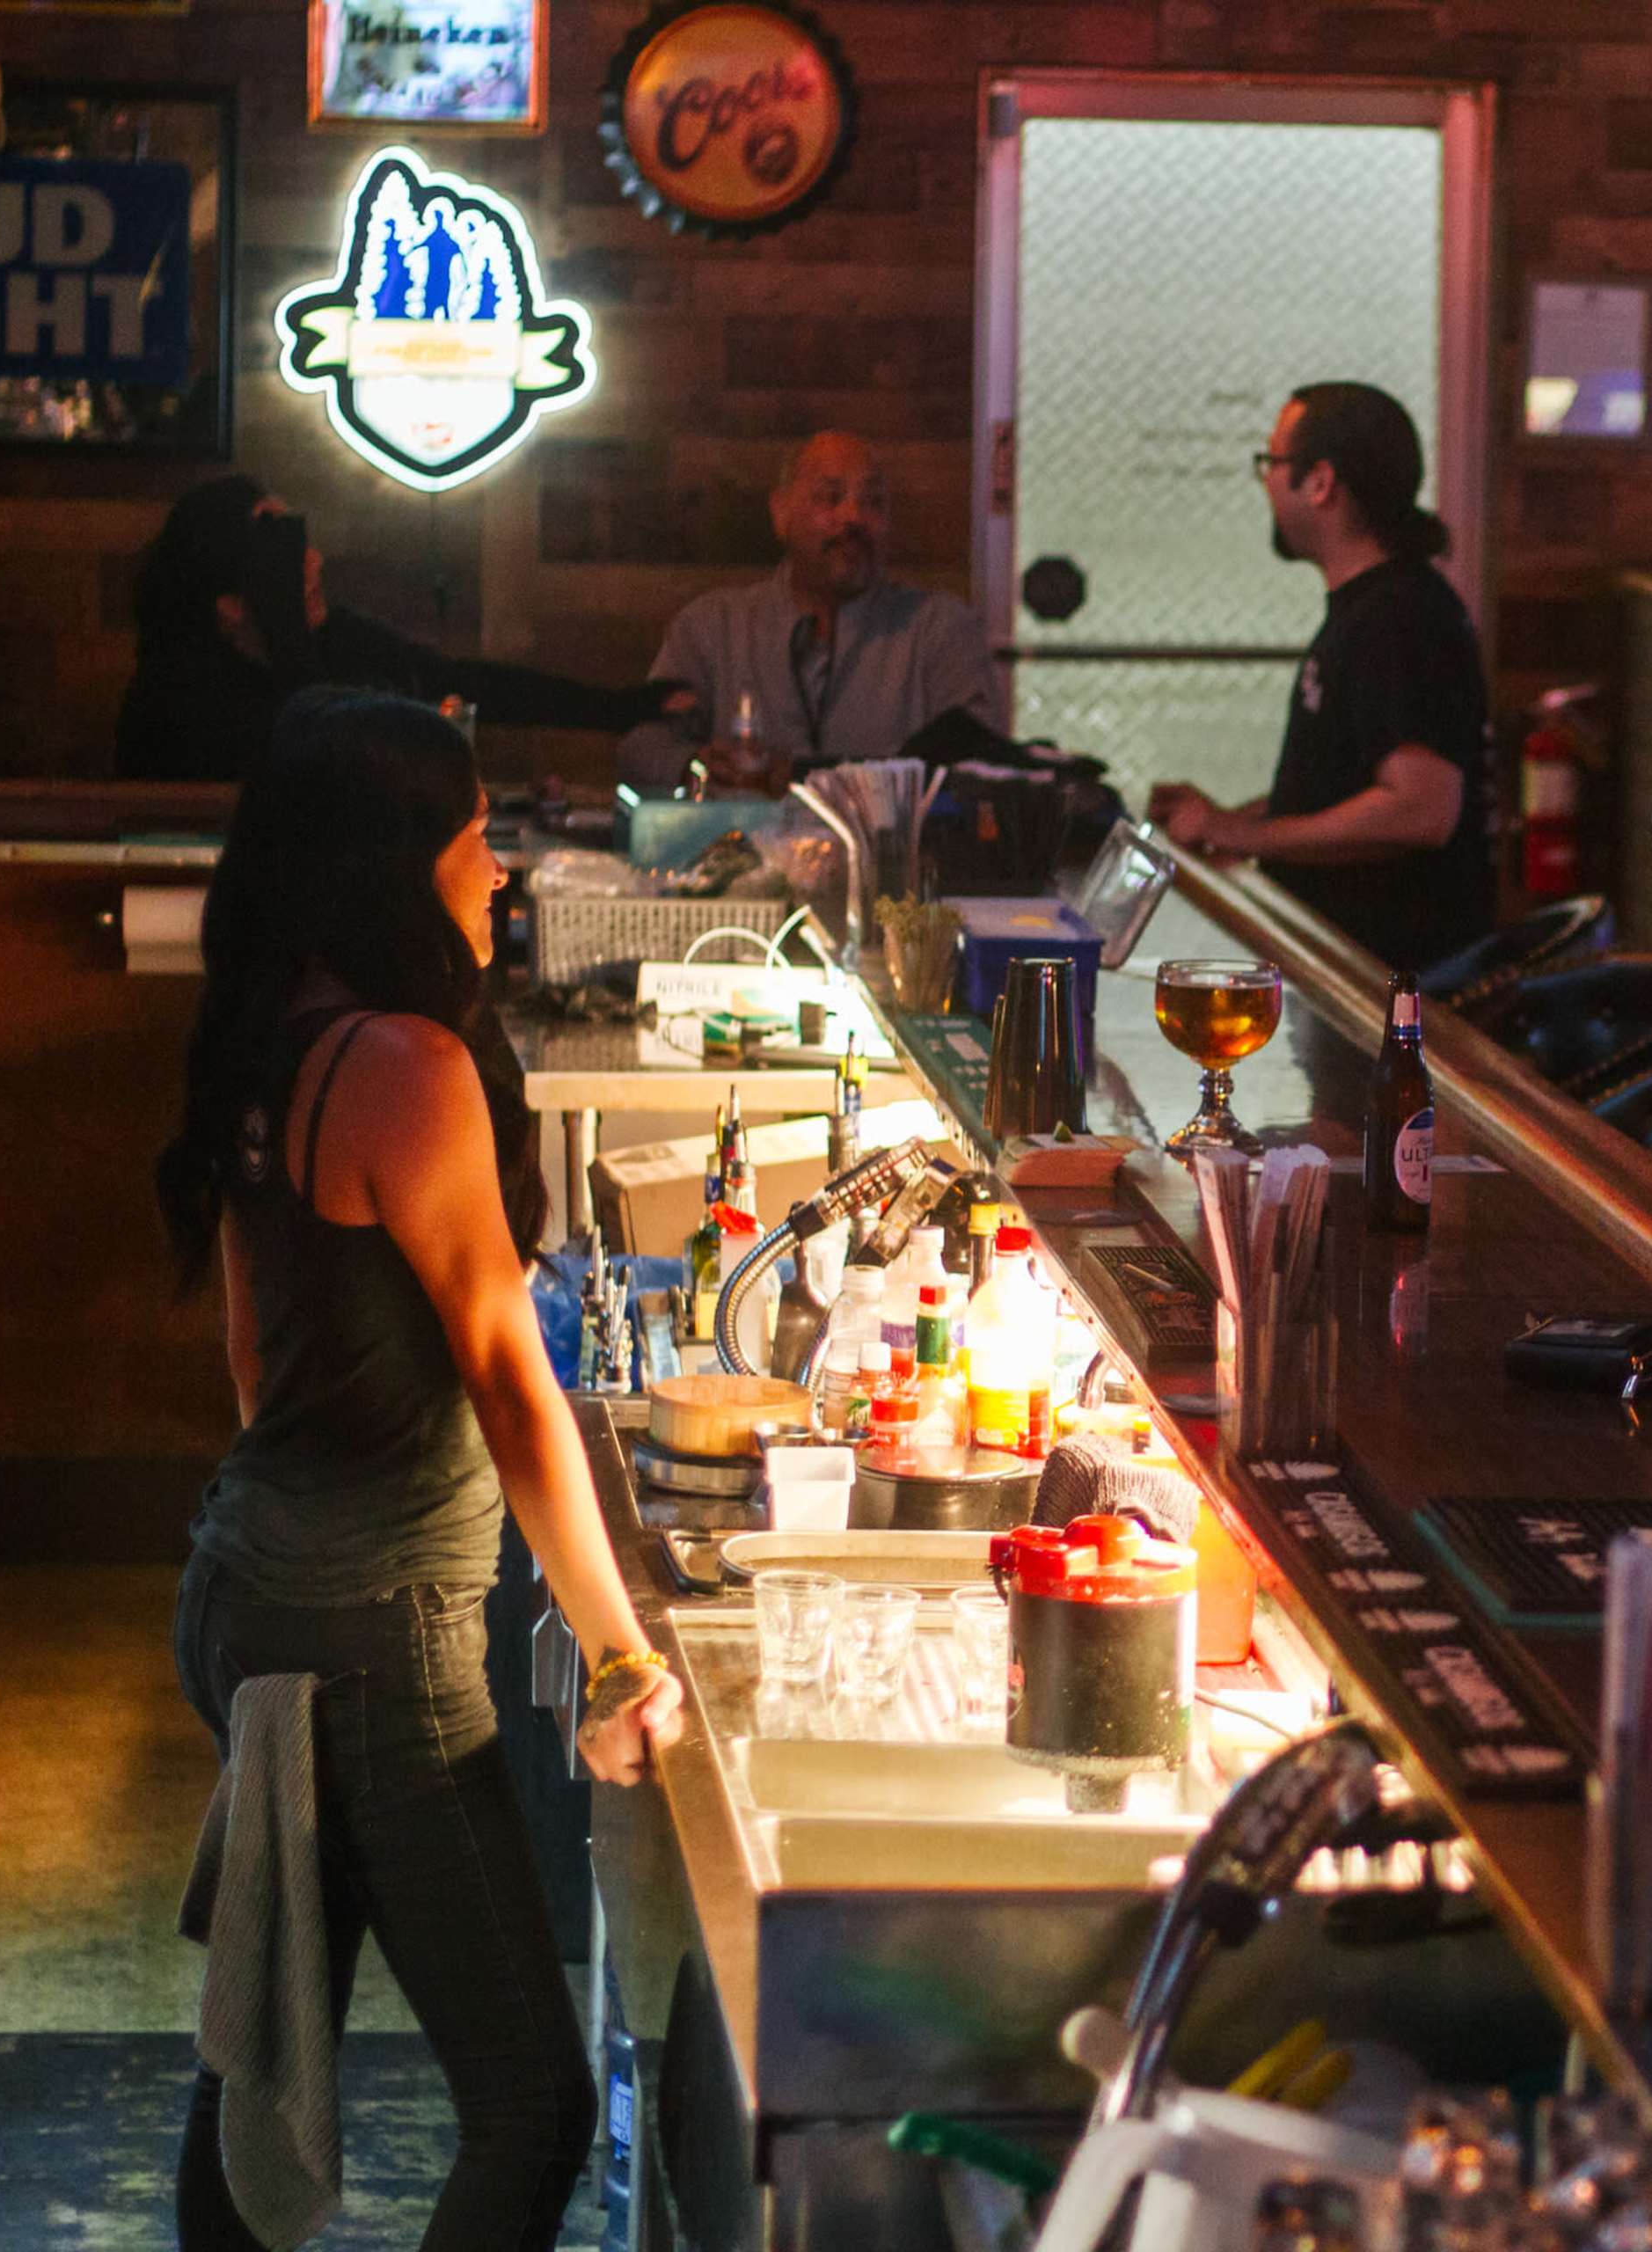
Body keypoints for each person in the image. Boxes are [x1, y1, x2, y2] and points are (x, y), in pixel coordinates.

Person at [155, 690, 684, 2250]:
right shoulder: (404, 1062)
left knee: (268, 2051)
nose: (499, 873)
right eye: (474, 840)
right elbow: (515, 1387)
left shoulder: (277, 1021)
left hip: (249, 1583)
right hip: (373, 1634)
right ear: (402, 861)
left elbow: (257, 1361)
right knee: (532, 2103)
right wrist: (619, 1650)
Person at [1145, 381, 1495, 975]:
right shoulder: (1368, 608)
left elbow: (1420, 809)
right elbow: (1342, 789)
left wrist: (1241, 836)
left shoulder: (1400, 617)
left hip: (1396, 986)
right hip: (1346, 961)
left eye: (1272, 462)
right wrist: (1235, 818)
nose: (1266, 482)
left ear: (1321, 482)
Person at [116, 476, 669, 783]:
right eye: (282, 555)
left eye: (299, 539)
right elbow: (314, 757)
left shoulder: (336, 636)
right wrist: (287, 632)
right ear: (231, 604)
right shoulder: (174, 696)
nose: (313, 561)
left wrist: (618, 710)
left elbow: (454, 682)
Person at [618, 428, 1004, 794]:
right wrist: (697, 765)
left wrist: (797, 775)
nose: (853, 516)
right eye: (830, 497)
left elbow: (978, 758)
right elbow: (641, 745)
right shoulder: (713, 627)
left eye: (873, 502)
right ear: (781, 513)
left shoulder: (939, 628)